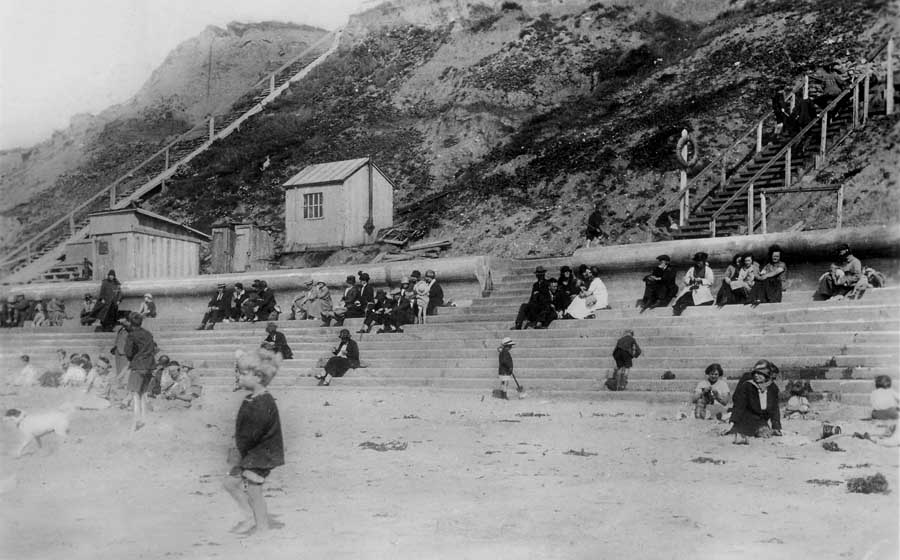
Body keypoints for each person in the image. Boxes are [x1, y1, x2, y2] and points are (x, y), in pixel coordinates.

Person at [225, 348, 285, 535]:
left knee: (253, 491)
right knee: (229, 483)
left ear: (258, 377)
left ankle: (262, 527)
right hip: (250, 452)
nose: (239, 377)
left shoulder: (263, 403)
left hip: (261, 453)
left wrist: (239, 452)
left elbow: (252, 434)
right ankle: (249, 515)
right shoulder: (251, 398)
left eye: (243, 374)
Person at [729, 359, 782, 444]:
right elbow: (739, 406)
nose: (756, 376)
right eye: (755, 373)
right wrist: (732, 422)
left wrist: (776, 426)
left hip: (762, 419)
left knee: (767, 431)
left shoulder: (773, 388)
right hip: (747, 418)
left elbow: (775, 409)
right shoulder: (747, 386)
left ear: (767, 374)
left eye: (760, 373)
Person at [125, 312, 157, 431]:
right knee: (144, 393)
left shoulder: (132, 335)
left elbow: (128, 352)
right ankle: (145, 420)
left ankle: (136, 422)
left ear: (130, 322)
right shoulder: (148, 334)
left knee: (135, 394)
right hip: (149, 365)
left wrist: (133, 358)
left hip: (138, 366)